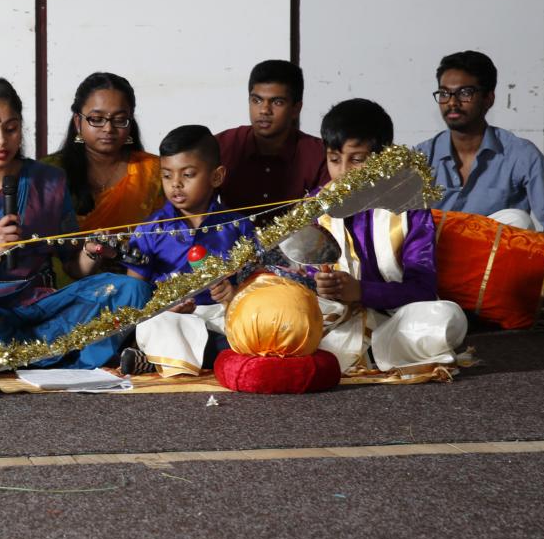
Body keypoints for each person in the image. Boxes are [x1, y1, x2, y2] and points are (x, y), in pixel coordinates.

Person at [0, 77, 151, 369]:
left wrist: (90, 253)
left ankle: (22, 360)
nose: (1, 140)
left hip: (43, 309)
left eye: (11, 128)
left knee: (131, 290)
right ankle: (61, 359)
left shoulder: (48, 181)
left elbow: (73, 265)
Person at [415, 50, 544, 284]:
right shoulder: (421, 157)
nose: (452, 102)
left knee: (518, 221)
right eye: (444, 93)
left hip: (491, 273)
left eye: (464, 93)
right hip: (437, 263)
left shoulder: (519, 154)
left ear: (488, 99)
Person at [314, 99, 467, 375]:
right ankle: (376, 355)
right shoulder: (316, 205)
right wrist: (320, 285)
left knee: (448, 317)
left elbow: (423, 289)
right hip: (336, 322)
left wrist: (361, 291)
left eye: (357, 160)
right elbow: (299, 275)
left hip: (397, 321)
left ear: (384, 157)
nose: (343, 172)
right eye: (334, 159)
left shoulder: (409, 207)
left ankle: (366, 354)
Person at [119, 125, 255, 377]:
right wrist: (163, 307)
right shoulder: (151, 228)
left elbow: (256, 284)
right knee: (157, 325)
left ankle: (159, 360)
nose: (176, 184)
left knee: (253, 323)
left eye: (188, 174)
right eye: (167, 175)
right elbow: (134, 291)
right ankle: (211, 355)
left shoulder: (238, 226)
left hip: (220, 315)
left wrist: (232, 294)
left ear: (217, 177)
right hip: (171, 317)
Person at [40, 72, 164, 234]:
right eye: (96, 119)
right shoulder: (48, 172)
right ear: (78, 122)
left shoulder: (155, 171)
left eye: (119, 120)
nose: (108, 128)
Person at [215, 59, 329, 219]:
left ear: (296, 109)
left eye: (277, 102)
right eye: (256, 100)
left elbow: (329, 220)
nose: (264, 110)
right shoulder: (221, 146)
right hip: (232, 236)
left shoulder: (319, 155)